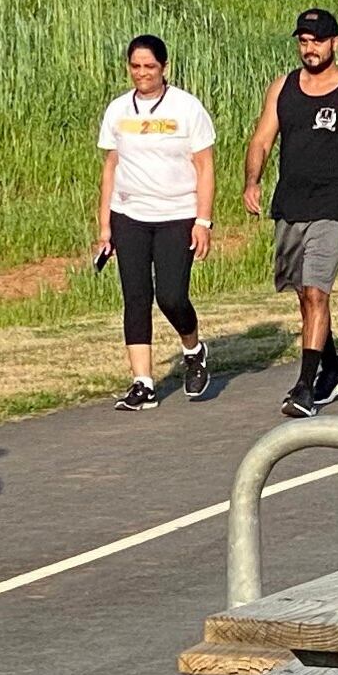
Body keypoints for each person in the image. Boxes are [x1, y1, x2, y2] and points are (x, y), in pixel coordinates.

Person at [243, 8, 338, 416]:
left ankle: (304, 388)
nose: (309, 48)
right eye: (303, 41)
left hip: (334, 206)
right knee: (303, 295)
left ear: (335, 42)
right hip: (290, 204)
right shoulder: (283, 87)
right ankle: (333, 368)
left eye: (317, 40)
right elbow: (261, 139)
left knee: (316, 291)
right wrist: (252, 181)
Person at [96, 35, 216, 408]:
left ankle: (193, 350)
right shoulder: (118, 110)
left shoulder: (186, 107)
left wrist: (203, 221)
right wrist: (104, 227)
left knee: (171, 296)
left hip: (176, 215)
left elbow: (204, 166)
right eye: (135, 66)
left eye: (149, 66)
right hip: (129, 215)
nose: (142, 73)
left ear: (164, 67)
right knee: (135, 297)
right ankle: (143, 383)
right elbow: (111, 166)